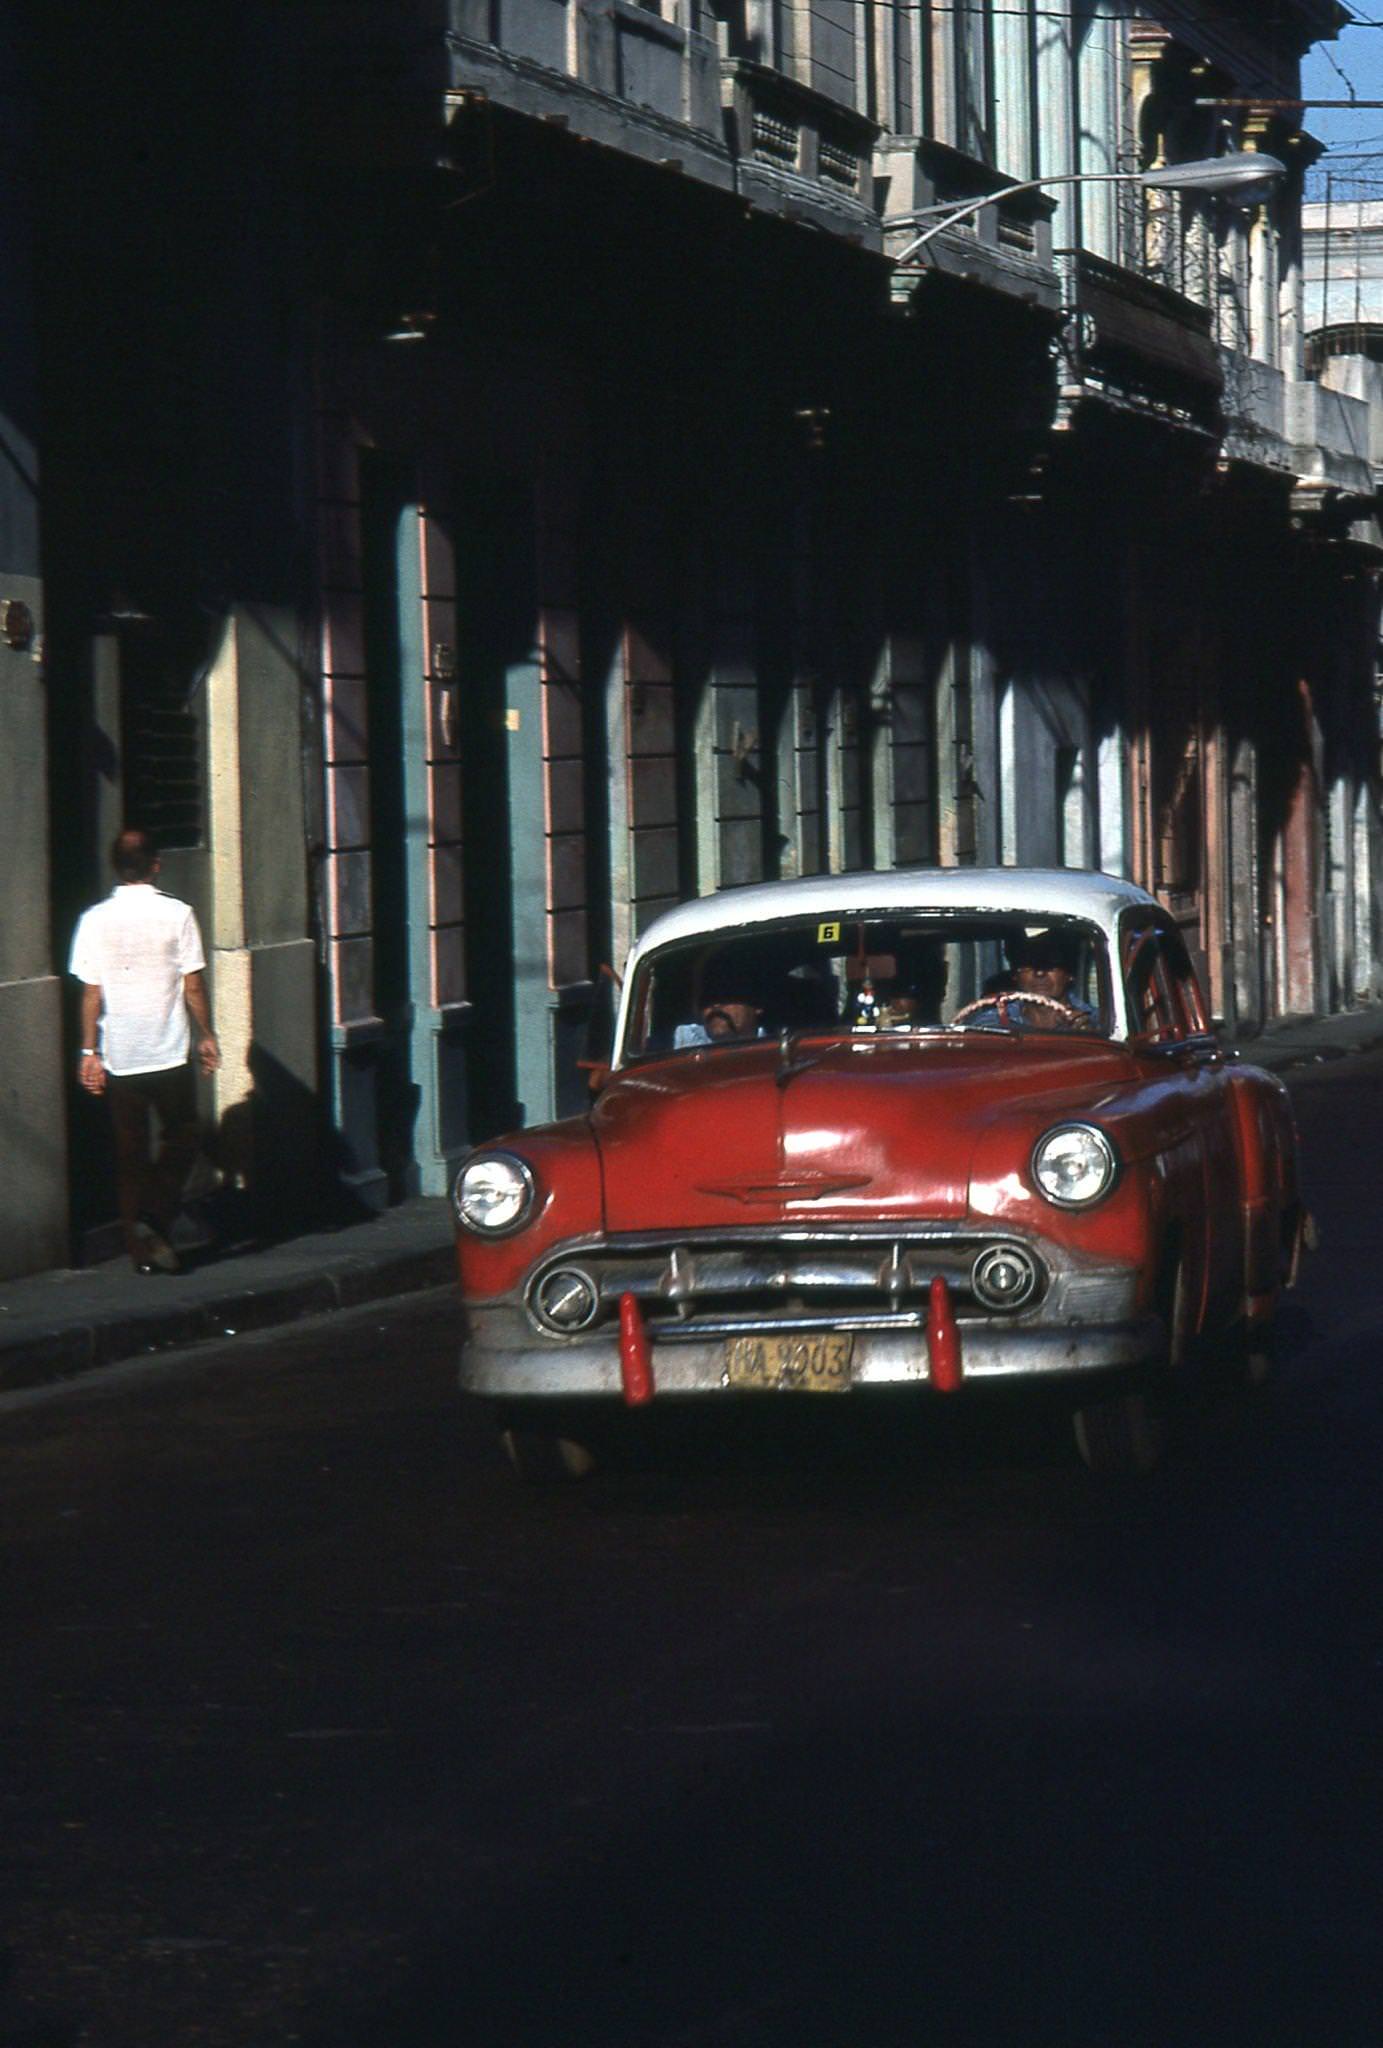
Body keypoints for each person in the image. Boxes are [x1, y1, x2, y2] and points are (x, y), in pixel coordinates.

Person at [69, 828, 220, 1274]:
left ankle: (142, 1253)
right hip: (169, 1050)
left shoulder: (94, 919)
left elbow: (91, 994)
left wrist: (88, 1051)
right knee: (184, 1134)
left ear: (116, 868)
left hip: (121, 1054)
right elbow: (193, 985)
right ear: (156, 865)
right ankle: (155, 1216)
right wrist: (207, 1034)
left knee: (130, 1153)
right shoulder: (178, 914)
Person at [1007, 930, 1097, 1025]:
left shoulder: (1099, 1022)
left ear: (1070, 973)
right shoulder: (996, 1022)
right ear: (1015, 974)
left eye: (1050, 964)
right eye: (1028, 964)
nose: (1039, 973)